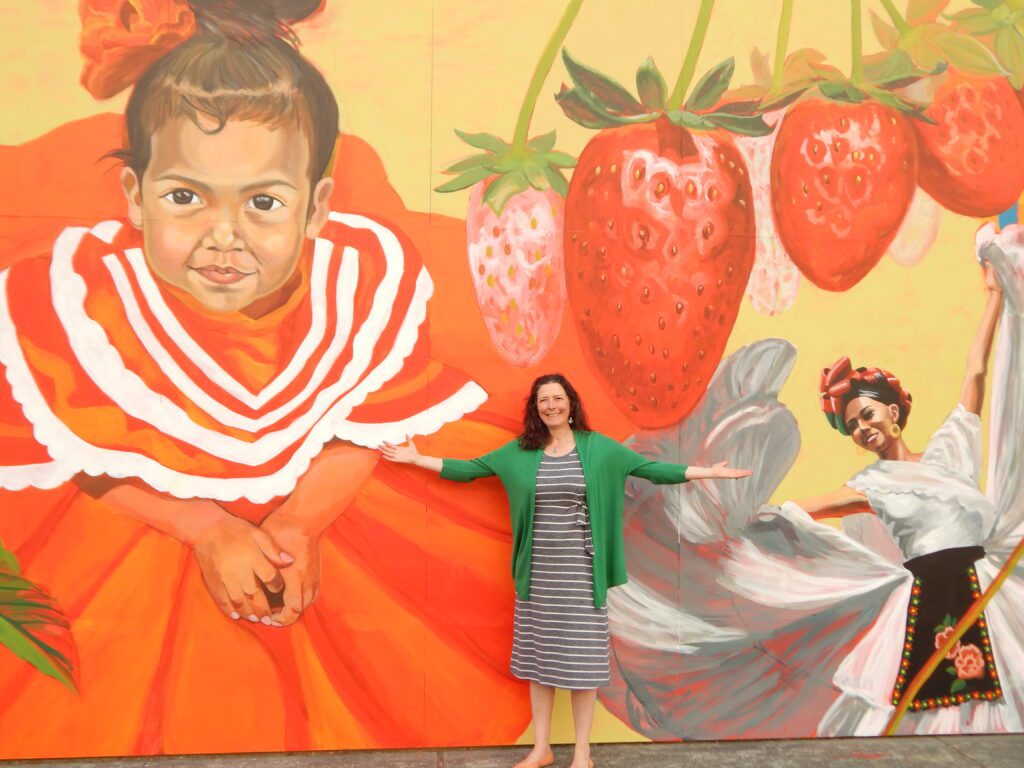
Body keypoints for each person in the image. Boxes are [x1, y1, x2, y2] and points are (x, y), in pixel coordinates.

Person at [0, 0, 531, 756]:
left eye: (264, 204)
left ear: (315, 209)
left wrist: (293, 526)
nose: (225, 236)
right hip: (145, 547)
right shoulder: (84, 302)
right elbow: (82, 452)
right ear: (133, 200)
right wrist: (206, 528)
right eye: (184, 198)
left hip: (321, 537)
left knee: (368, 690)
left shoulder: (355, 282)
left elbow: (370, 424)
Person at [598, 225, 1024, 739]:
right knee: (947, 714)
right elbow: (806, 509)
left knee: (1002, 702)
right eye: (853, 427)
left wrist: (996, 297)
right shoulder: (874, 484)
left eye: (867, 415)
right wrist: (727, 503)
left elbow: (976, 375)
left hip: (988, 588)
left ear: (893, 410)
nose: (863, 429)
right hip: (935, 600)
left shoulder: (952, 451)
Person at [380, 372, 751, 768]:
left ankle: (582, 752)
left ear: (571, 405)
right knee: (538, 661)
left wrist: (706, 473)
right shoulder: (521, 452)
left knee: (583, 663)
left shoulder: (598, 449)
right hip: (538, 574)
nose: (551, 405)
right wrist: (417, 459)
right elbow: (472, 468)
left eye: (557, 398)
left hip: (582, 575)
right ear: (536, 409)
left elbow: (649, 468)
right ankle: (541, 749)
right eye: (543, 400)